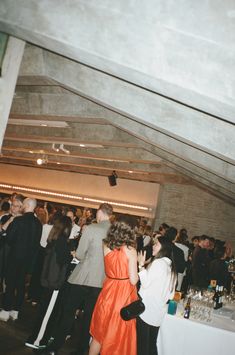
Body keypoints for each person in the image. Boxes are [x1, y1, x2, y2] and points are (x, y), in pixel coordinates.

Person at [40, 203, 113, 355]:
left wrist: (76, 254)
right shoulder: (115, 231)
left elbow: (80, 254)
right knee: (89, 318)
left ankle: (54, 347)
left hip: (82, 278)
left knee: (67, 313)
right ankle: (81, 350)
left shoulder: (93, 228)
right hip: (101, 282)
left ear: (99, 213)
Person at [89, 221, 138, 355]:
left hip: (108, 289)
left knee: (99, 333)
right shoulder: (130, 250)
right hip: (122, 293)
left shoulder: (106, 245)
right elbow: (133, 280)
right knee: (116, 334)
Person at [25, 215, 72, 350]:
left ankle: (40, 336)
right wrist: (71, 256)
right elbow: (65, 260)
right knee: (48, 312)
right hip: (54, 283)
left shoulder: (52, 240)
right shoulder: (62, 242)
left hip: (47, 280)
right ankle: (37, 339)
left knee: (45, 310)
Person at [0, 198, 42, 322]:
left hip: (14, 257)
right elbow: (36, 244)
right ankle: (16, 311)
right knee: (21, 285)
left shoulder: (19, 220)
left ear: (27, 205)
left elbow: (9, 239)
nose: (21, 206)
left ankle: (6, 310)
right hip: (28, 260)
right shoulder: (38, 224)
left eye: (23, 204)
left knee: (10, 284)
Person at [137, 236, 176, 355]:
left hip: (146, 310)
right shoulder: (171, 267)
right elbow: (171, 295)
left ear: (163, 248)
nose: (153, 246)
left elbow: (145, 283)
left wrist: (141, 265)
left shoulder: (158, 263)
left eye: (156, 244)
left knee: (142, 346)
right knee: (151, 344)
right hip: (158, 312)